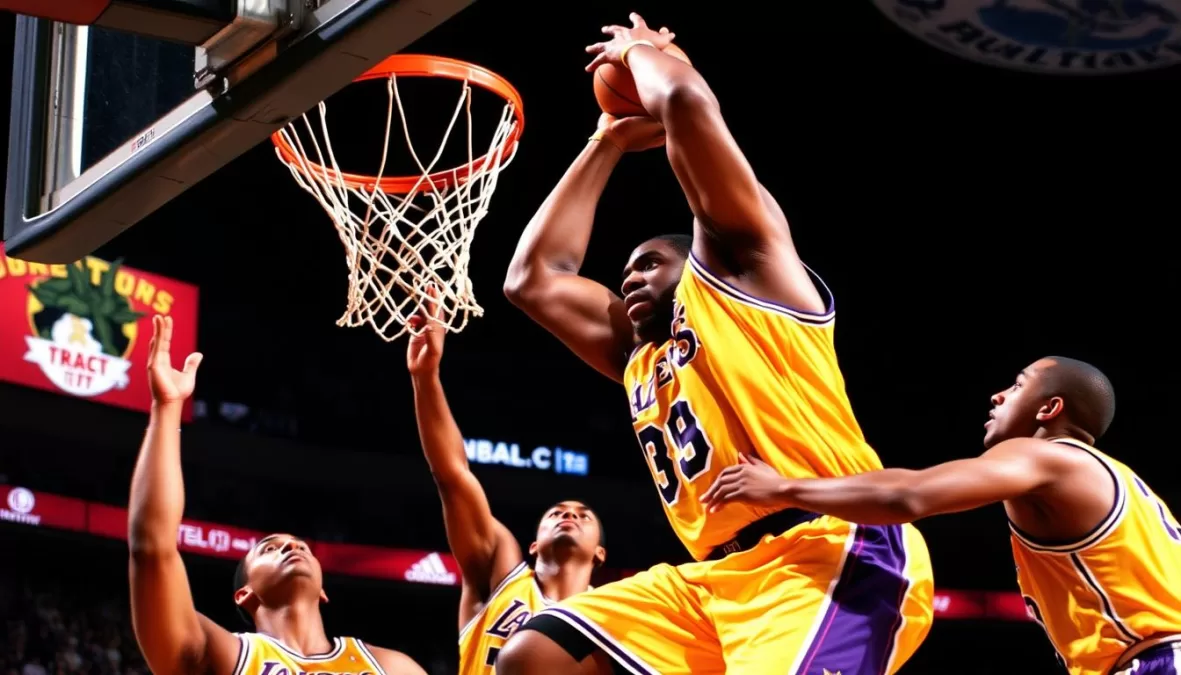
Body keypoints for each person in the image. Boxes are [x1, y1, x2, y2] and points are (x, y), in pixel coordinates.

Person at [498, 14, 934, 675]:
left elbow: (686, 103)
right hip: (720, 577)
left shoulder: (749, 279)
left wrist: (640, 50)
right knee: (535, 652)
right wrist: (606, 139)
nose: (628, 274)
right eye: (625, 270)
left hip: (830, 551)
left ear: (696, 260)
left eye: (648, 262)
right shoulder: (639, 355)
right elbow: (532, 281)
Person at [701, 356, 1181, 675]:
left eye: (1017, 386)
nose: (997, 396)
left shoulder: (1050, 459)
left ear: (1049, 408)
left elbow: (910, 495)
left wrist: (785, 488)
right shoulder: (1124, 485)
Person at [128, 315, 426, 675]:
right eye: (269, 547)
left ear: (323, 591)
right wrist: (167, 406)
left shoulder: (392, 667)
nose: (292, 546)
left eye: (301, 545)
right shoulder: (220, 654)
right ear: (245, 594)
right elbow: (151, 548)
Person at [405, 293, 607, 674]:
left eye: (583, 515)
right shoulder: (501, 575)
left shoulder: (614, 615)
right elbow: (453, 476)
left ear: (599, 553)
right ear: (533, 545)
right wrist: (425, 377)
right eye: (556, 513)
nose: (569, 514)